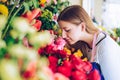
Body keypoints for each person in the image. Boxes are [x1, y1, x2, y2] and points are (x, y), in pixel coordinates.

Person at [57, 5, 120, 80]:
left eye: (67, 30)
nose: (63, 35)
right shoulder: (82, 44)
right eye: (62, 31)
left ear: (82, 26)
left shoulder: (105, 47)